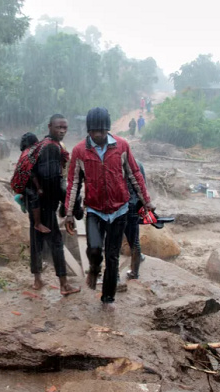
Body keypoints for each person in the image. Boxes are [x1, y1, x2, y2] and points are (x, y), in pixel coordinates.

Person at [64, 107, 154, 310]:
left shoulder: (122, 146)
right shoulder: (79, 151)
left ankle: (108, 299)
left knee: (113, 256)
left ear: (108, 129)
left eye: (101, 131)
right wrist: (69, 213)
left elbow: (134, 175)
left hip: (119, 210)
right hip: (94, 210)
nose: (97, 135)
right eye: (93, 131)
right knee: (94, 249)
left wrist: (146, 201)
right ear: (88, 130)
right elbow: (74, 183)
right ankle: (94, 267)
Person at [29, 114, 80, 296]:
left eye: (65, 128)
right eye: (59, 127)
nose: (62, 131)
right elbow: (52, 179)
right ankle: (64, 285)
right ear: (49, 126)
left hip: (34, 203)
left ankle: (37, 280)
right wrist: (65, 204)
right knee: (57, 243)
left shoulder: (41, 145)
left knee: (36, 242)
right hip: (45, 204)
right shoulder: (52, 148)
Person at [14, 132, 51, 234]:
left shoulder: (26, 152)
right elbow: (31, 173)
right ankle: (37, 224)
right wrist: (38, 187)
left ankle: (20, 198)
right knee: (35, 197)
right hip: (25, 182)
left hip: (20, 182)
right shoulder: (30, 153)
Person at [124, 161, 146, 280]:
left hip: (118, 206)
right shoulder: (138, 164)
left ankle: (114, 275)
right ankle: (134, 272)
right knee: (134, 240)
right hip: (133, 204)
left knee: (114, 241)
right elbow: (143, 186)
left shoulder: (113, 162)